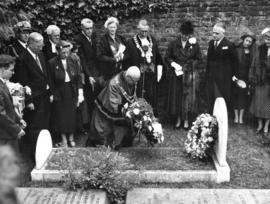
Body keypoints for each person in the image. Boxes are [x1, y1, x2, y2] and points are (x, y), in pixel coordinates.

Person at [15, 32, 53, 159]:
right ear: (30, 44)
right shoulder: (22, 59)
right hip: (35, 98)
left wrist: (50, 91)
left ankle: (45, 148)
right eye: (38, 45)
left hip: (45, 95)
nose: (41, 47)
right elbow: (23, 81)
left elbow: (46, 74)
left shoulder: (41, 54)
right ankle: (35, 154)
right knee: (35, 126)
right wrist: (29, 100)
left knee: (45, 123)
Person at [87, 66, 140, 149]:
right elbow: (114, 103)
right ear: (128, 77)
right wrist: (126, 111)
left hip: (122, 105)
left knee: (124, 124)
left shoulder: (130, 79)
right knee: (104, 126)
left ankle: (119, 142)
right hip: (108, 103)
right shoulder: (114, 83)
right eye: (134, 81)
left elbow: (132, 94)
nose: (135, 84)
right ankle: (102, 142)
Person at [165, 21, 201, 129]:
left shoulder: (194, 45)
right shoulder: (174, 44)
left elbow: (199, 58)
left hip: (189, 75)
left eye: (187, 35)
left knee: (187, 98)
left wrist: (190, 65)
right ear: (180, 33)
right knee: (177, 97)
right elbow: (167, 57)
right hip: (177, 75)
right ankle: (178, 119)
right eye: (183, 34)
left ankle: (186, 120)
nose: (185, 37)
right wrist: (173, 64)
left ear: (190, 34)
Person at [49, 40, 84, 147]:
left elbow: (78, 77)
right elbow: (50, 80)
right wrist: (52, 94)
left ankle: (71, 137)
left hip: (71, 90)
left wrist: (80, 93)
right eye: (63, 53)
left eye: (67, 52)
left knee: (72, 115)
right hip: (59, 92)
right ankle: (63, 138)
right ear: (58, 51)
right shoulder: (52, 62)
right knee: (61, 116)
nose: (65, 55)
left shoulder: (73, 59)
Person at [125, 19, 163, 115]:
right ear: (138, 30)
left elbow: (157, 56)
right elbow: (127, 59)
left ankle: (152, 117)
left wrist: (159, 71)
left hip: (151, 76)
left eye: (146, 31)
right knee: (139, 96)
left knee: (151, 96)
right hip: (138, 77)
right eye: (142, 31)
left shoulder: (152, 41)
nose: (144, 33)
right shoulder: (131, 43)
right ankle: (139, 118)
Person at [205, 22, 238, 111]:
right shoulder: (211, 43)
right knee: (211, 98)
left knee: (221, 99)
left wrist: (234, 75)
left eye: (217, 33)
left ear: (223, 34)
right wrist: (207, 74)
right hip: (212, 77)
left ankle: (221, 120)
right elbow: (209, 60)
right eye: (213, 33)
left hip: (223, 78)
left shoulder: (229, 45)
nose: (214, 35)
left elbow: (234, 62)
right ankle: (211, 120)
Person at [75, 18, 101, 126]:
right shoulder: (78, 39)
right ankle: (89, 123)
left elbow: (96, 55)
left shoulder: (93, 37)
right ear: (82, 28)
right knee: (89, 97)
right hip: (85, 72)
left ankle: (97, 121)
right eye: (87, 29)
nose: (89, 31)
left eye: (91, 28)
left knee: (97, 96)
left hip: (95, 70)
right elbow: (82, 59)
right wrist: (89, 75)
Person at [0, 54, 25, 152]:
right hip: (4, 135)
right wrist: (16, 129)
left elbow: (8, 106)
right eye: (11, 70)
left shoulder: (2, 83)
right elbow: (1, 114)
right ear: (2, 69)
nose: (13, 73)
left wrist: (18, 119)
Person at [250, 28, 270, 141]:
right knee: (258, 104)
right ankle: (260, 125)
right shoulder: (260, 49)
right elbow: (254, 64)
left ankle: (266, 127)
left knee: (268, 106)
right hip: (260, 81)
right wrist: (252, 76)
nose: (268, 41)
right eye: (266, 39)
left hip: (269, 82)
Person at [233, 29, 257, 124]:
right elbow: (233, 63)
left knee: (243, 97)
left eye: (250, 42)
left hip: (246, 77)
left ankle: (241, 117)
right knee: (235, 95)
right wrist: (233, 75)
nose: (248, 43)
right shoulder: (237, 49)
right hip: (237, 76)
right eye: (246, 40)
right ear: (243, 40)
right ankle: (236, 116)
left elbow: (252, 65)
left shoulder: (252, 52)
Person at [98, 17, 127, 81]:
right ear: (107, 28)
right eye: (110, 27)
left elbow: (127, 51)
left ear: (116, 28)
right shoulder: (103, 40)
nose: (112, 29)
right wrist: (112, 59)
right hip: (110, 70)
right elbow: (100, 56)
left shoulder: (121, 38)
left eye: (114, 27)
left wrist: (123, 56)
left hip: (121, 68)